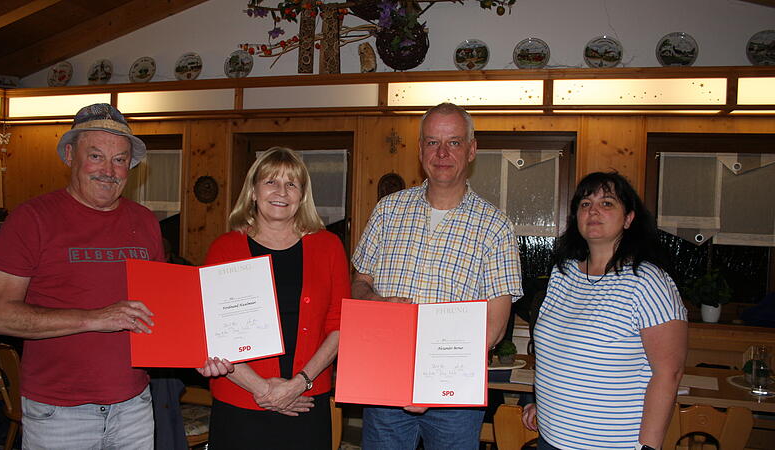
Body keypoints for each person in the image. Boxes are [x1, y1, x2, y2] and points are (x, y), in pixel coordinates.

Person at [0, 103, 165, 449]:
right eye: (96, 156)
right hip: (59, 414)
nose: (109, 171)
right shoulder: (31, 219)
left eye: (120, 159)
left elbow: (159, 309)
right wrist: (94, 319)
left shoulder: (145, 222)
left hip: (135, 405)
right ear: (70, 155)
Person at [351, 102, 523, 450]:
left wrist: (432, 381)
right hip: (385, 382)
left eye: (454, 142)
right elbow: (359, 283)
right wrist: (373, 300)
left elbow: (495, 325)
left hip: (453, 395)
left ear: (472, 150)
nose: (442, 153)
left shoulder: (495, 226)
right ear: (420, 150)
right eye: (432, 142)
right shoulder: (388, 211)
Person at [196, 147, 350, 449]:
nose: (282, 191)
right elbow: (212, 332)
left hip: (306, 398)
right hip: (241, 400)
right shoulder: (225, 249)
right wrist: (264, 389)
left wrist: (298, 383)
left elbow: (340, 324)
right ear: (253, 191)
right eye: (271, 182)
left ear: (302, 195)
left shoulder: (329, 246)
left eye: (292, 184)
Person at [521, 172, 687, 450]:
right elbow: (555, 352)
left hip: (612, 443)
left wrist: (647, 448)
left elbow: (669, 373)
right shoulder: (563, 275)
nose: (593, 210)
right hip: (551, 439)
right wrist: (540, 402)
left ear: (629, 218)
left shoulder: (647, 281)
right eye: (585, 204)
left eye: (607, 203)